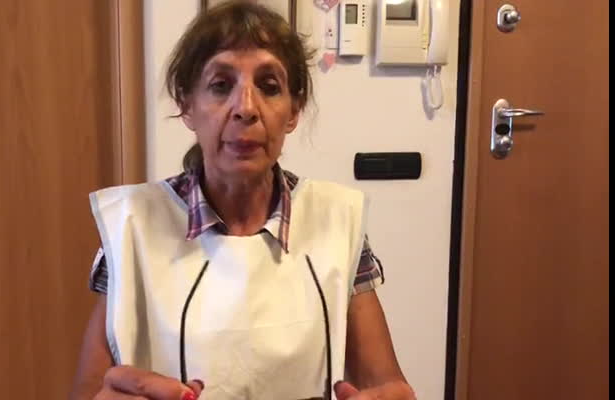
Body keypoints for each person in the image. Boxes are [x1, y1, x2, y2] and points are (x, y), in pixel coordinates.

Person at [70, 1, 415, 399]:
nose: (246, 108)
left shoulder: (337, 223)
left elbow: (383, 385)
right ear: (186, 104)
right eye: (220, 85)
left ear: (294, 110)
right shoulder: (132, 228)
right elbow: (90, 393)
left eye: (269, 86)